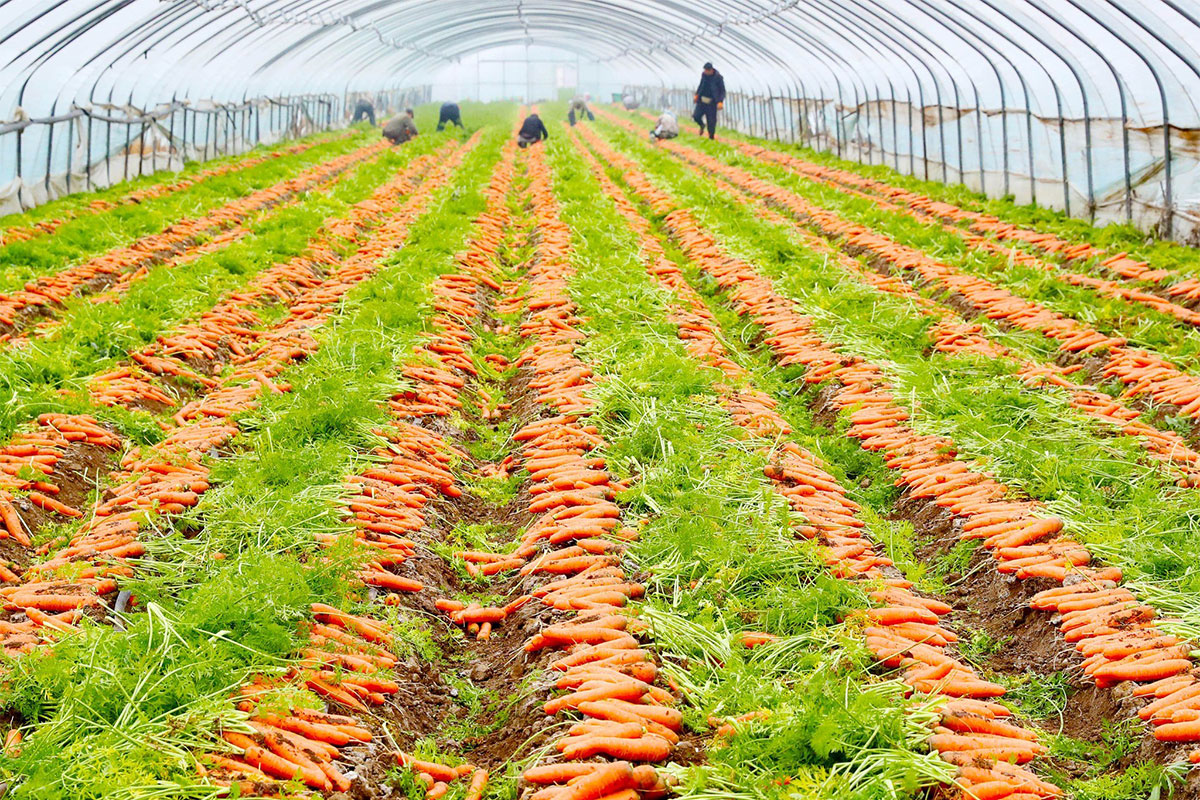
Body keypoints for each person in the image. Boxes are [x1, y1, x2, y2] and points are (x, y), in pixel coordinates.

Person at [692, 62, 726, 139]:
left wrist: (720, 101)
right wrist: (697, 95)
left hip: (712, 103)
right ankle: (701, 125)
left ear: (711, 70)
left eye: (707, 70)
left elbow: (722, 91)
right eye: (705, 70)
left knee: (711, 121)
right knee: (696, 116)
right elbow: (701, 86)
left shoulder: (718, 78)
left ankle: (711, 137)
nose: (705, 72)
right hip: (702, 101)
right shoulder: (704, 76)